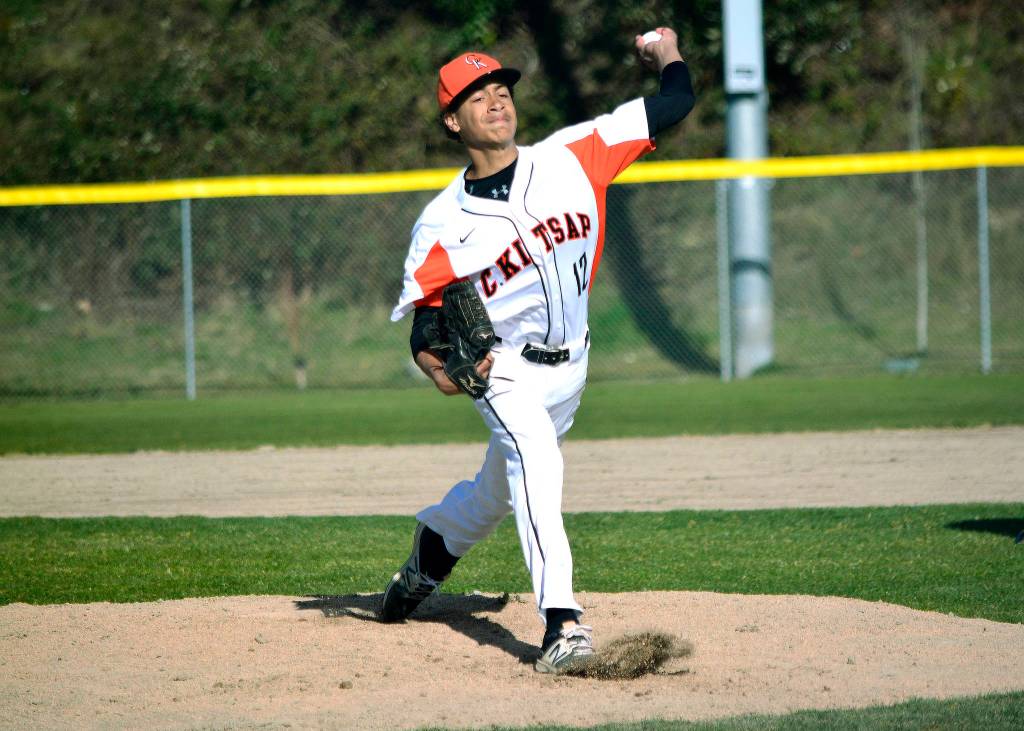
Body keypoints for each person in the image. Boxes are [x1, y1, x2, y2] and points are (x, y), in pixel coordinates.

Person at [382, 27, 695, 674]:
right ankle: (562, 624)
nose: (496, 101)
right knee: (538, 466)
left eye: (501, 89)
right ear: (452, 120)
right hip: (507, 371)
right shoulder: (441, 224)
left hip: (573, 366)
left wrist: (665, 52)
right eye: (477, 96)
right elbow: (426, 331)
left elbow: (675, 101)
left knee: (494, 494)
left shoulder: (574, 154)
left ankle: (426, 556)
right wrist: (443, 373)